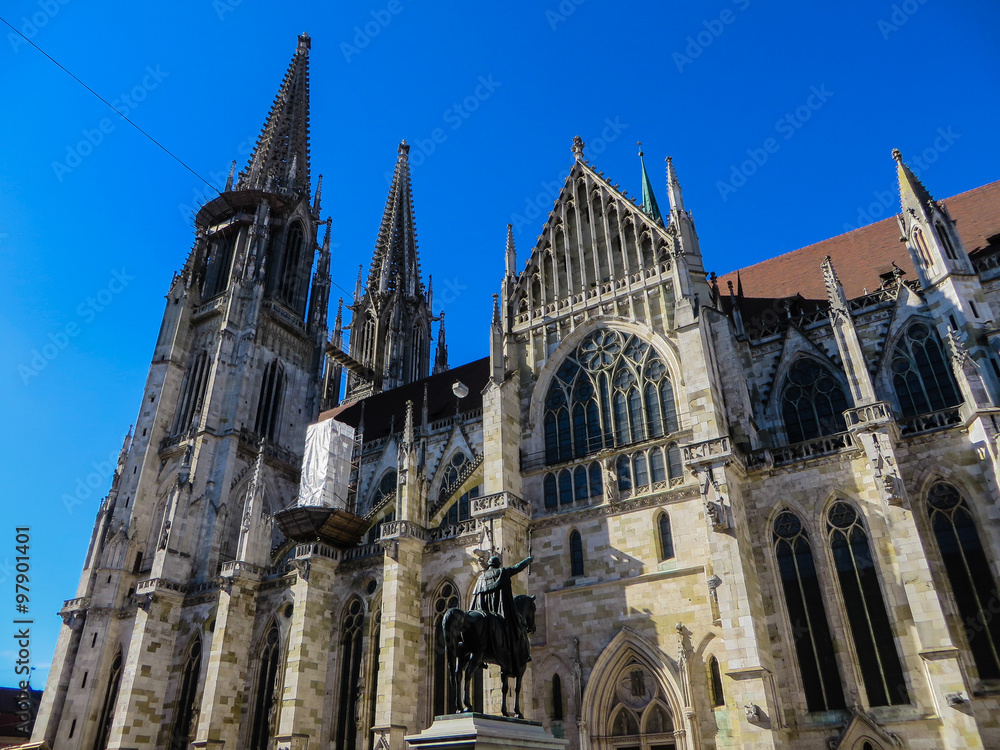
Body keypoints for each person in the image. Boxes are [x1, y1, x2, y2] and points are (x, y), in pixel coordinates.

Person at [470, 555, 532, 662]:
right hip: (499, 611)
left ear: (489, 565)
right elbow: (517, 567)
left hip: (483, 610)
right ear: (498, 565)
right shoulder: (502, 572)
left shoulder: (481, 578)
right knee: (517, 627)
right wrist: (528, 560)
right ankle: (521, 655)